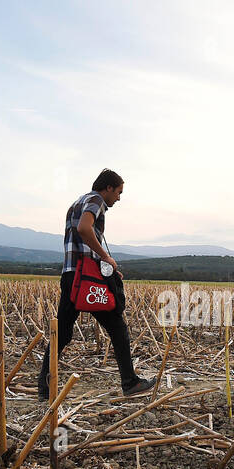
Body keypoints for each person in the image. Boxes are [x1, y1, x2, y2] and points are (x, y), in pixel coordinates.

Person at [38, 169, 153, 400]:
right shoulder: (96, 199)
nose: (119, 198)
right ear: (108, 187)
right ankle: (130, 383)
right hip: (86, 278)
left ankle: (44, 388)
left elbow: (81, 235)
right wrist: (106, 258)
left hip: (72, 275)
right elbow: (84, 229)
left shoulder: (78, 202)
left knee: (62, 333)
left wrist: (108, 270)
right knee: (117, 328)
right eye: (119, 192)